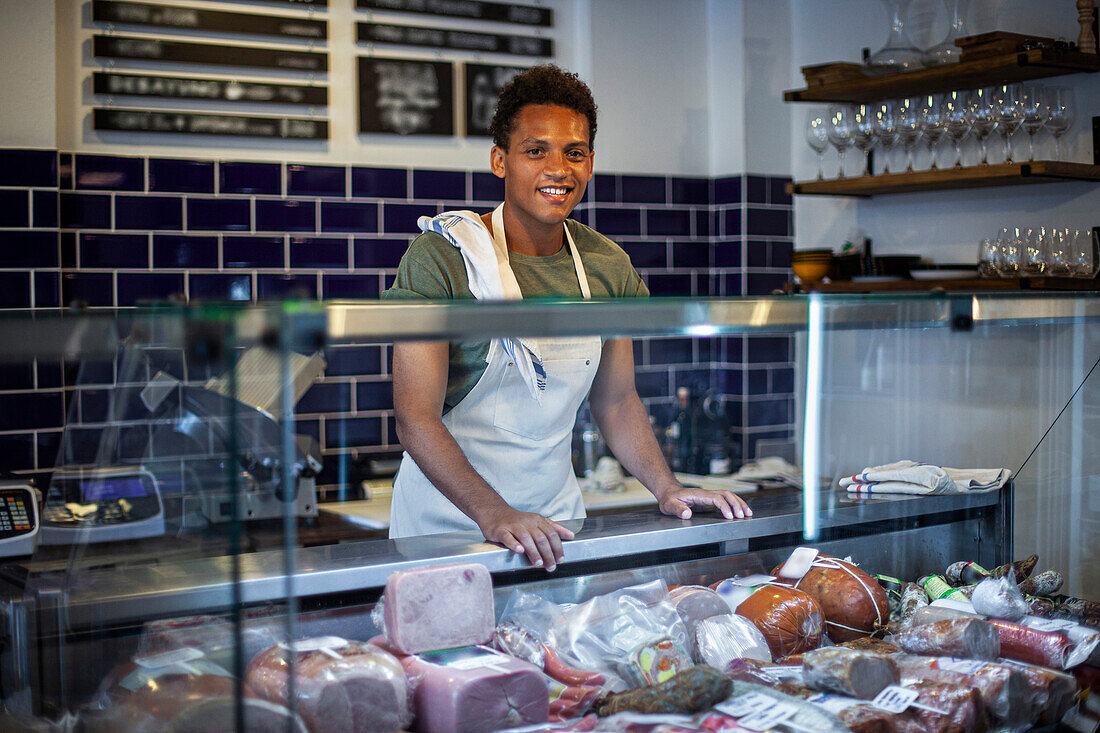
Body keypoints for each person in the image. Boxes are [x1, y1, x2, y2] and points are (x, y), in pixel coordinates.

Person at [382, 64, 751, 571]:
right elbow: (414, 418)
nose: (558, 169)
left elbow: (617, 402)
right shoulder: (443, 259)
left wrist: (668, 488)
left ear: (591, 162)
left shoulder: (606, 265)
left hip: (554, 528)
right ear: (500, 160)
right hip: (445, 529)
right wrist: (495, 515)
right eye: (536, 151)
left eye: (574, 152)